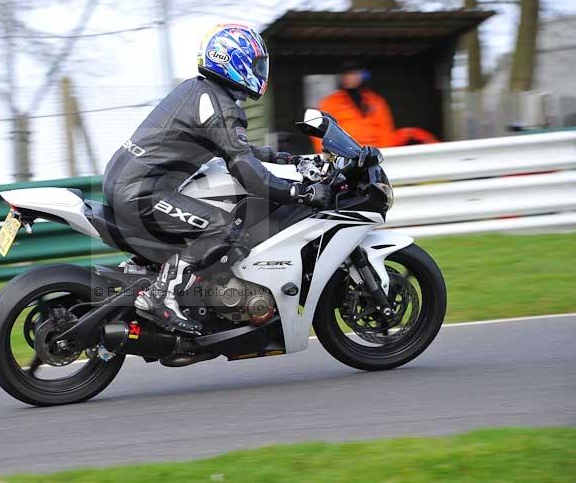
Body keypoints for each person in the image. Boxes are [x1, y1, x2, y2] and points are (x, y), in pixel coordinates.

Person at [104, 24, 332, 335]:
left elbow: (237, 149)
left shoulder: (198, 90)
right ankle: (161, 296)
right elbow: (250, 176)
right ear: (233, 62)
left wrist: (286, 160)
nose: (261, 71)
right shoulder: (222, 109)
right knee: (223, 227)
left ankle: (177, 287)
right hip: (142, 192)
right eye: (255, 64)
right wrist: (299, 192)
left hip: (126, 181)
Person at [312, 60, 395, 152]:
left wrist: (385, 154)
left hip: (375, 154)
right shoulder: (330, 103)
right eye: (347, 73)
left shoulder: (376, 101)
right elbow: (320, 133)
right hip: (346, 156)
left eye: (354, 73)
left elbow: (386, 131)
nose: (350, 77)